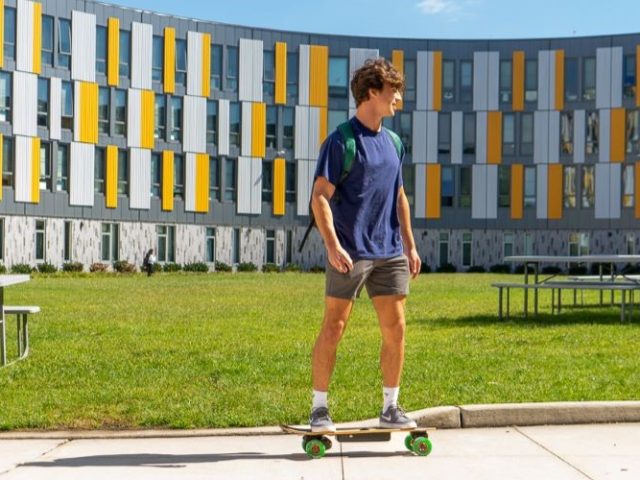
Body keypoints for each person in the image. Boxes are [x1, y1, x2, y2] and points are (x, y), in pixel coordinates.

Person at [309, 58, 421, 432]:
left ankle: (390, 406)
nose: (399, 100)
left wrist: (409, 243)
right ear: (372, 92)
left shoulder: (394, 143)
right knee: (334, 326)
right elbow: (319, 197)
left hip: (389, 251)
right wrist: (332, 244)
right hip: (351, 250)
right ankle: (319, 409)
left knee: (397, 328)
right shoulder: (341, 140)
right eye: (393, 92)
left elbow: (399, 194)